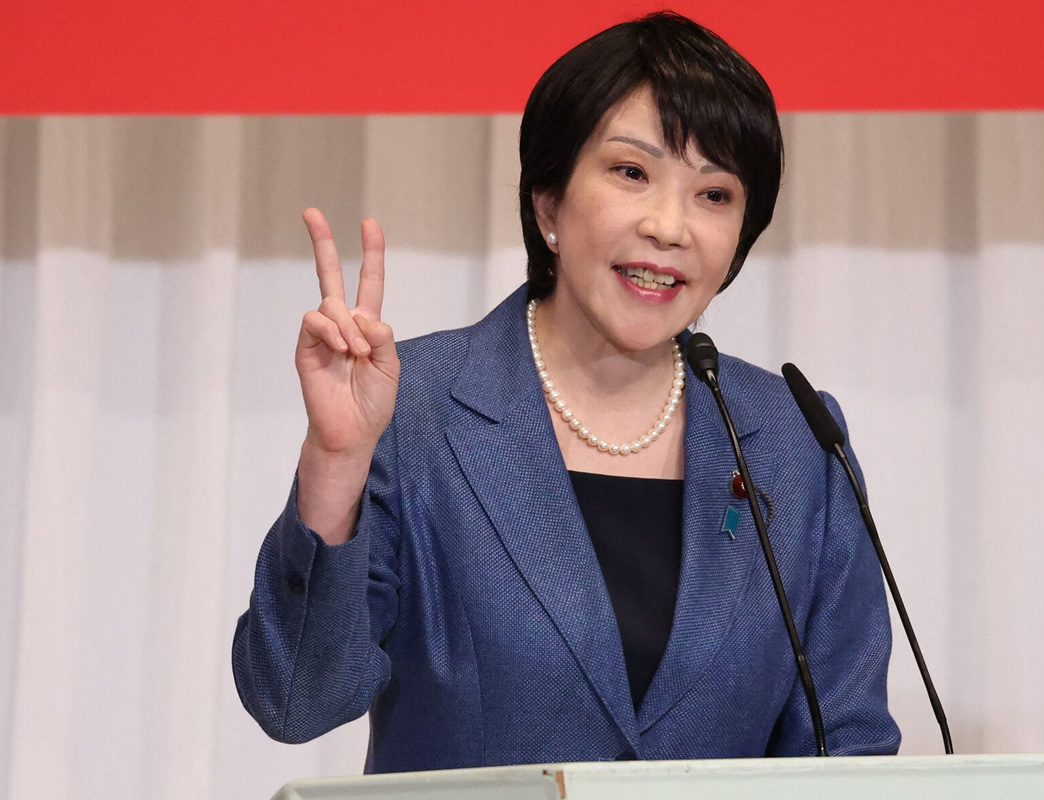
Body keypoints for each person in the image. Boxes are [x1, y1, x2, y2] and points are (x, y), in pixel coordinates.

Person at [232, 12, 900, 773]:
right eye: (632, 173)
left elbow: (848, 750)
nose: (670, 226)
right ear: (548, 204)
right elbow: (295, 701)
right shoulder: (415, 409)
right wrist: (335, 465)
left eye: (715, 194)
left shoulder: (792, 438)